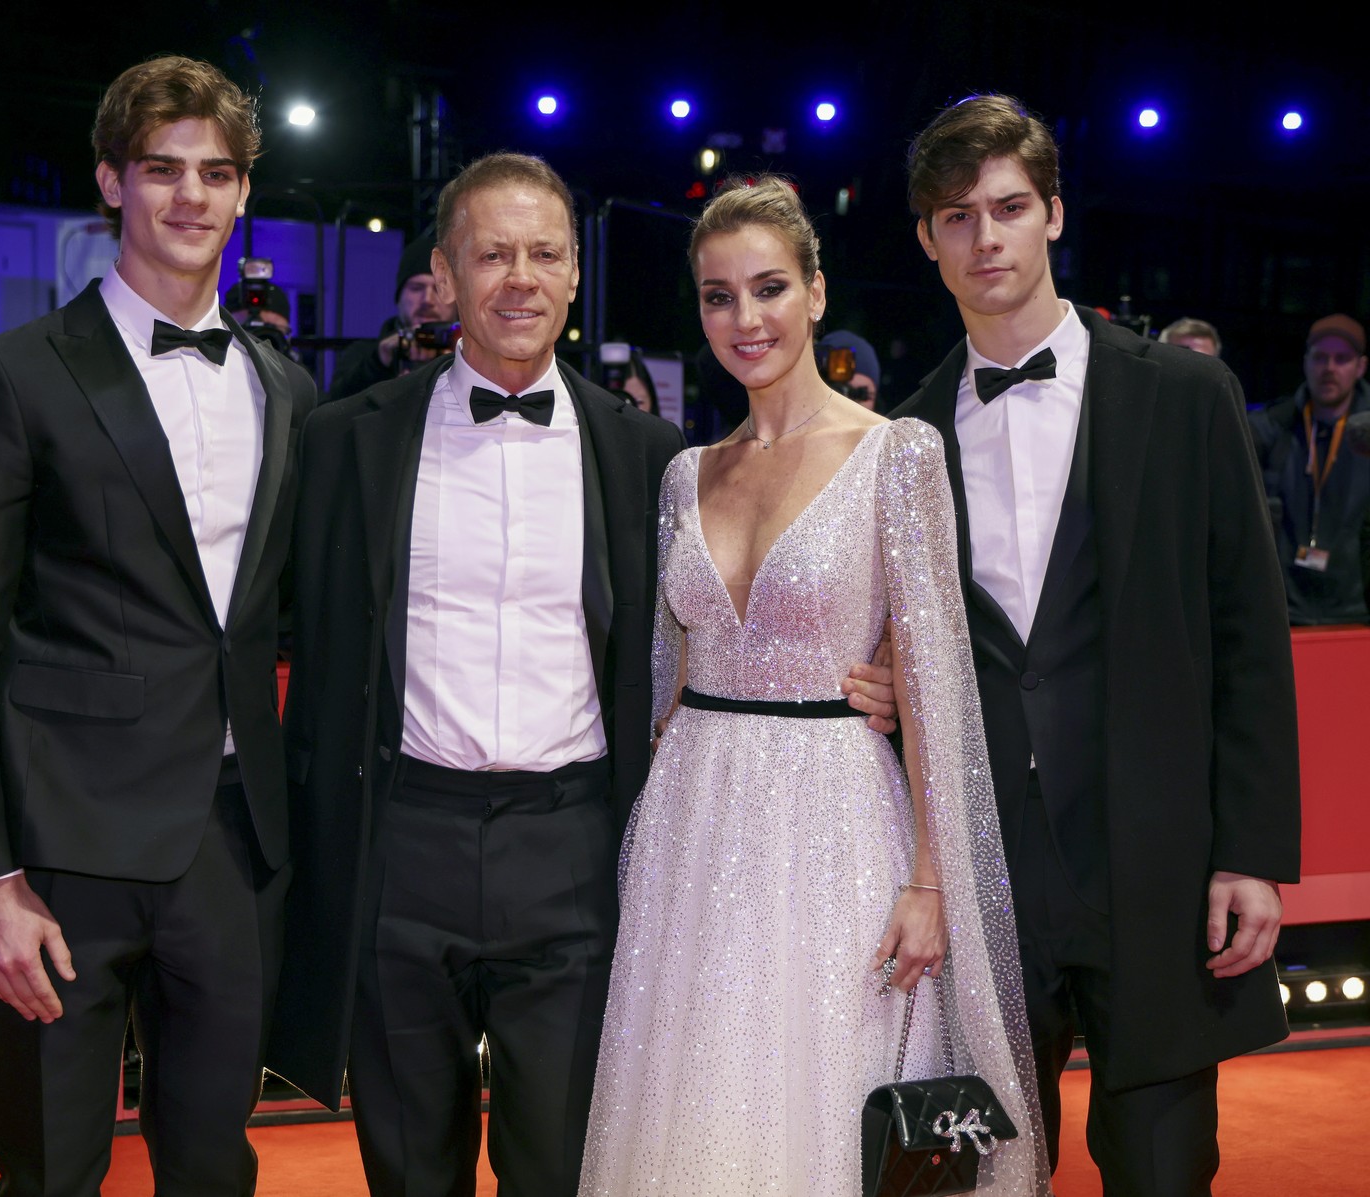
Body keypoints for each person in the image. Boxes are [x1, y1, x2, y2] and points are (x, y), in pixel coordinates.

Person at [267, 152, 902, 1195]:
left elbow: (720, 612)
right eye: (492, 254)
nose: (520, 277)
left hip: (573, 856)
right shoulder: (344, 443)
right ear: (445, 273)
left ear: (573, 277)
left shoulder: (649, 456)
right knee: (405, 1171)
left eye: (545, 254)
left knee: (561, 1169)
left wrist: (862, 669)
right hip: (397, 850)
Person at [578, 177, 1047, 1195]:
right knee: (692, 1107)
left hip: (835, 829)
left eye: (769, 288)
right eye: (717, 296)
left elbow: (931, 683)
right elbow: (669, 682)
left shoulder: (895, 456)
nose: (745, 319)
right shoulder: (684, 472)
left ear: (817, 294)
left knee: (823, 1107)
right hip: (695, 831)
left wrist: (931, 879)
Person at [0, 55, 314, 1196]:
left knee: (214, 1166)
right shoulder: (12, 377)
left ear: (243, 196)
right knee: (47, 1168)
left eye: (217, 173)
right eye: (162, 169)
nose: (191, 196)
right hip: (64, 854)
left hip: (233, 846)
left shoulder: (287, 392)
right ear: (110, 182)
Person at [890, 94, 1300, 1195]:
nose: (986, 238)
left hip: (1155, 867)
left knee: (1166, 1171)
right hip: (990, 875)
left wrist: (1252, 852)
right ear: (927, 238)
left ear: (1055, 215)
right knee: (981, 1181)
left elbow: (1249, 634)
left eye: (1009, 208)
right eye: (957, 216)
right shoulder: (906, 437)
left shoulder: (1187, 395)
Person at [1250, 313, 1370, 625]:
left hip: (1356, 611)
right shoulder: (1275, 425)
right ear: (1305, 362)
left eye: (1342, 359)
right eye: (1320, 357)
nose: (1329, 368)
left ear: (1360, 367)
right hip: (1285, 609)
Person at [326, 228, 458, 401]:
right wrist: (378, 365)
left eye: (439, 289)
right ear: (398, 297)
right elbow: (333, 412)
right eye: (416, 288)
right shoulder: (364, 356)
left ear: (457, 300)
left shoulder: (476, 357)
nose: (427, 300)